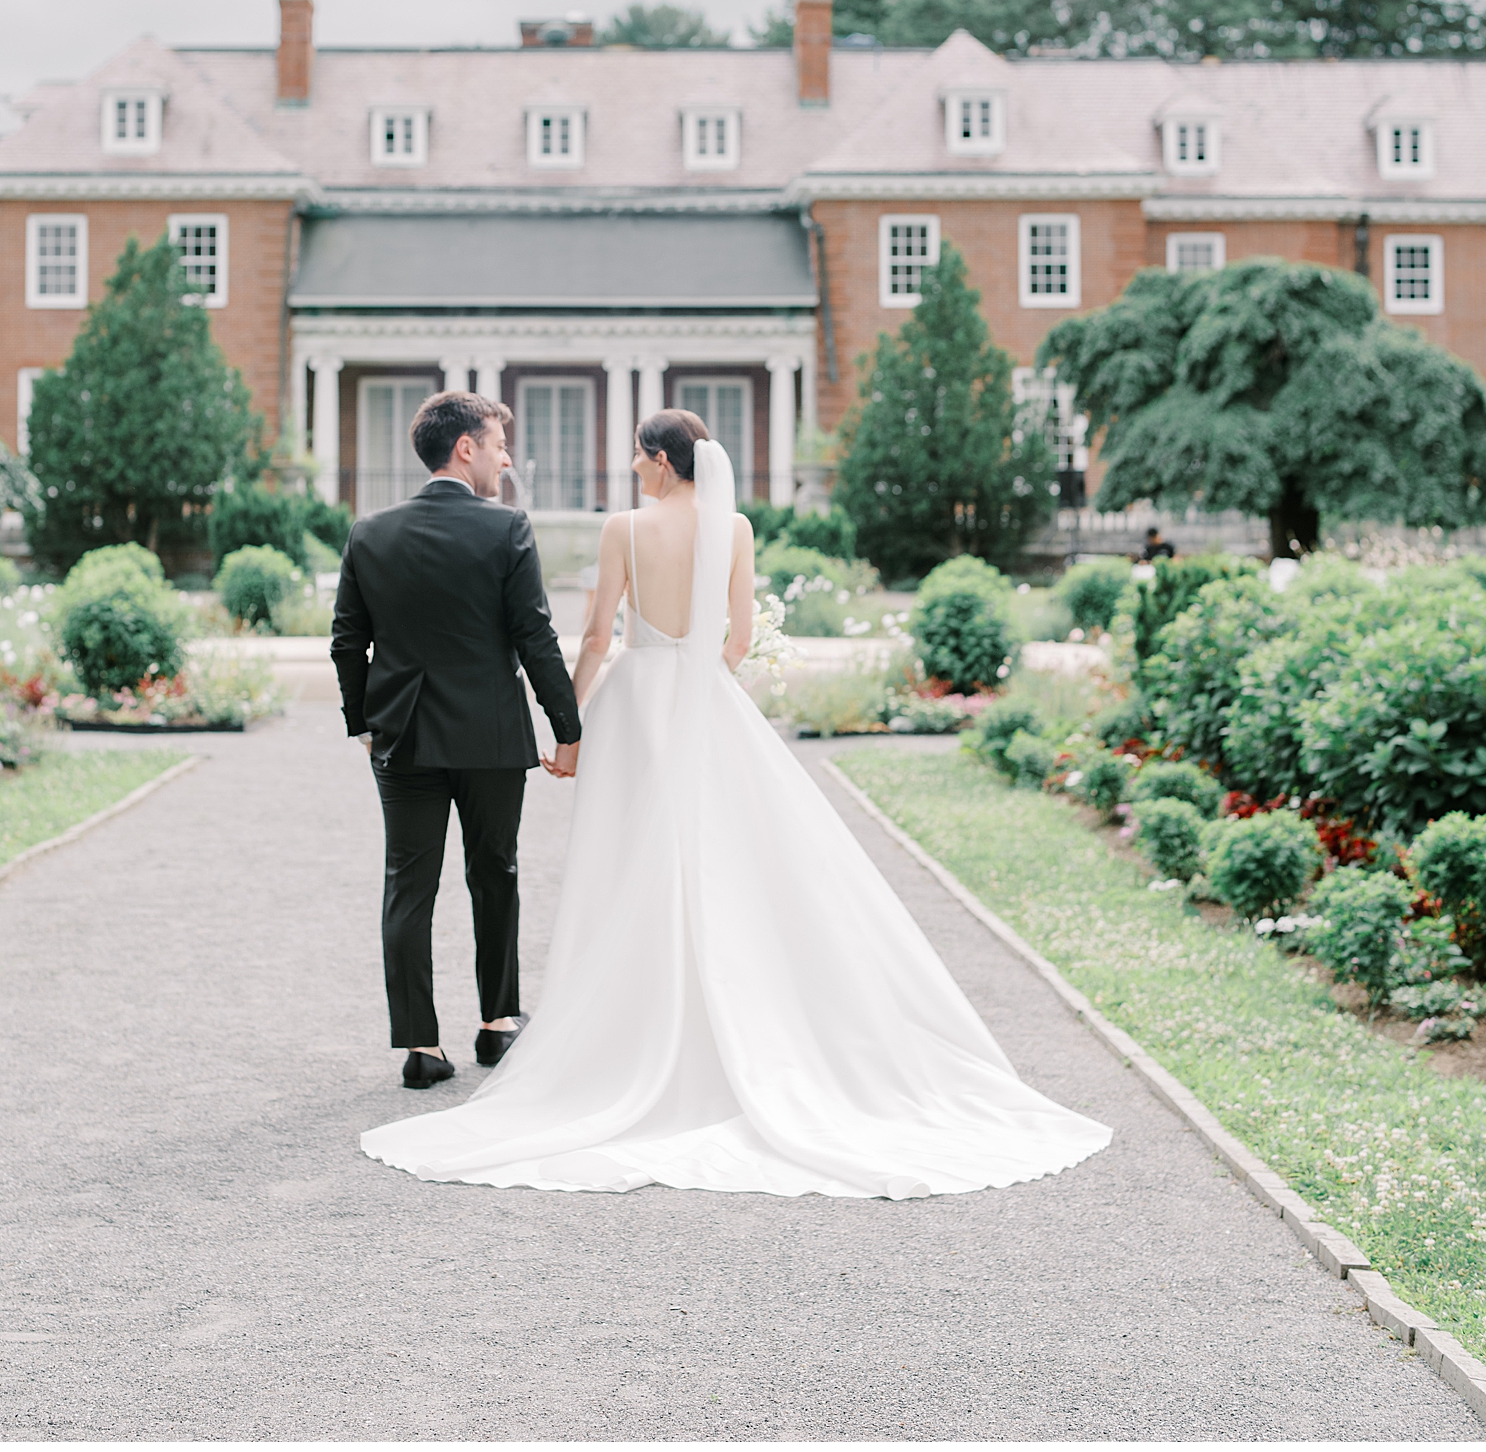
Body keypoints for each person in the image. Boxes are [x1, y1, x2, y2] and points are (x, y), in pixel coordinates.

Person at [360, 409, 1112, 1198]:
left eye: (637, 457)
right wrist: (702, 683)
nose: (631, 469)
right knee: (725, 856)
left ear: (658, 459)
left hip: (637, 704)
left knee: (632, 862)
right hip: (703, 698)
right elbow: (741, 636)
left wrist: (571, 730)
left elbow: (592, 636)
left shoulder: (623, 529)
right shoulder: (737, 526)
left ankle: (630, 1028)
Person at [330, 391, 581, 1089]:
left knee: (408, 886)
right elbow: (535, 635)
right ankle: (499, 1025)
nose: (507, 458)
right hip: (491, 736)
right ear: (464, 447)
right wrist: (568, 726)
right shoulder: (507, 529)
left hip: (402, 735)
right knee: (494, 873)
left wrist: (362, 719)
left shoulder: (369, 532)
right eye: (499, 443)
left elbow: (348, 638)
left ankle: (420, 1045)